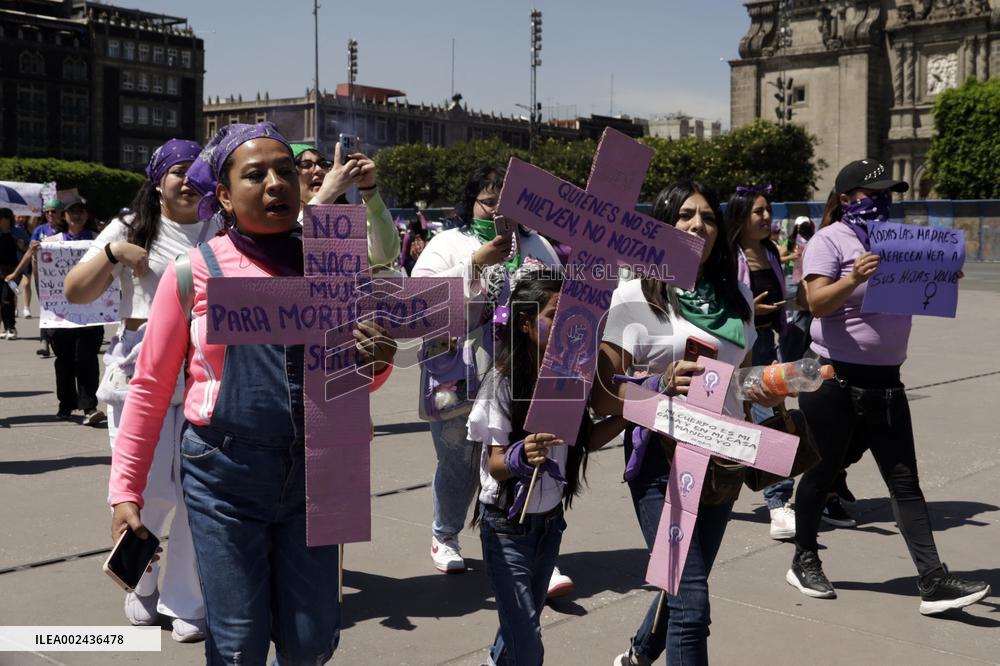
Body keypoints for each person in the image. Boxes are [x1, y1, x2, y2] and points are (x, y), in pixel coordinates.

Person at [108, 122, 397, 664]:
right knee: (238, 643)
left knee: (312, 640)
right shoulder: (192, 272)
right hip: (224, 478)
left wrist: (376, 361)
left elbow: (354, 378)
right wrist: (126, 490)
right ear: (223, 195)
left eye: (285, 171)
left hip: (317, 472)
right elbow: (148, 389)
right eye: (255, 174)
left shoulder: (334, 266)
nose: (276, 183)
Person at [787, 158, 990, 614]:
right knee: (821, 473)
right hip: (832, 378)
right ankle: (804, 558)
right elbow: (816, 303)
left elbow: (913, 294)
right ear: (845, 199)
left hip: (886, 381)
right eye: (873, 193)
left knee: (905, 481)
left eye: (888, 194)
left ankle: (932, 580)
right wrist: (853, 277)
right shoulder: (828, 240)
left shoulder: (900, 242)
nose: (883, 201)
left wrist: (939, 275)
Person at [592, 181, 782, 666]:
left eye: (709, 217)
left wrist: (770, 386)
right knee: (691, 605)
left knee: (681, 588)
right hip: (661, 458)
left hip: (723, 457)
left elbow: (741, 380)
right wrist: (659, 383)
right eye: (684, 215)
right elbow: (604, 394)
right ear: (662, 225)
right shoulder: (635, 296)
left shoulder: (738, 297)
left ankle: (638, 656)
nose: (698, 225)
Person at [64, 139, 210, 642]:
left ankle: (186, 598)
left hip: (202, 372)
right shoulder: (131, 225)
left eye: (197, 170)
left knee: (195, 491)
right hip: (139, 376)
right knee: (145, 491)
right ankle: (140, 583)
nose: (189, 180)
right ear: (157, 180)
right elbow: (75, 290)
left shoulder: (221, 226)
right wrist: (112, 252)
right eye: (178, 171)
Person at [411, 165, 561, 576]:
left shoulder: (537, 244)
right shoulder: (448, 242)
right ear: (472, 203)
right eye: (490, 201)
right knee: (459, 462)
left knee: (522, 455)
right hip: (460, 372)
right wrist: (477, 263)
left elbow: (558, 297)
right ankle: (445, 534)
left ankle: (529, 546)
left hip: (519, 373)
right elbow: (419, 301)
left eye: (509, 201)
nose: (499, 209)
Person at [471, 267, 626, 666]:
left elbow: (587, 440)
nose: (564, 326)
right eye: (553, 315)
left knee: (520, 623)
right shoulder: (501, 383)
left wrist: (634, 411)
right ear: (525, 323)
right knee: (528, 642)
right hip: (506, 526)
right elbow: (495, 464)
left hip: (550, 524)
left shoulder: (572, 378)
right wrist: (521, 455)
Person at [726, 186, 796, 539]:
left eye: (768, 209)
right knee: (748, 420)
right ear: (741, 217)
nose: (767, 217)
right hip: (736, 346)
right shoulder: (728, 256)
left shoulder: (770, 252)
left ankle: (777, 499)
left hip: (768, 344)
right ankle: (775, 500)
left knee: (770, 418)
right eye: (759, 211)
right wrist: (751, 309)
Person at [36, 195, 106, 424]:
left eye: (80, 211)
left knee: (87, 359)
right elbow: (41, 275)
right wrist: (36, 255)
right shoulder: (51, 242)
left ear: (86, 215)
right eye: (71, 211)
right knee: (64, 359)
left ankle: (89, 407)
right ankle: (65, 403)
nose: (76, 215)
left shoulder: (99, 241)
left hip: (91, 312)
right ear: (63, 216)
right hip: (60, 314)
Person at [290, 142, 400, 268]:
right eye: (306, 164)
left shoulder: (345, 221)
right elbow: (289, 248)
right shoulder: (279, 224)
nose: (319, 170)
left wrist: (369, 191)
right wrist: (326, 195)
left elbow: (385, 255)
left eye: (323, 164)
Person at [4, 199, 66, 355]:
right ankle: (44, 341)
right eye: (47, 211)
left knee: (64, 308)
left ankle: (62, 341)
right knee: (46, 307)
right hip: (44, 277)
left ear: (61, 213)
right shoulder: (40, 230)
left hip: (65, 277)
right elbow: (29, 252)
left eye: (54, 211)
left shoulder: (67, 230)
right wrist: (16, 273)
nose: (50, 214)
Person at [0, 208, 19, 339]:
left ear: (8, 219)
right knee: (1, 300)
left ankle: (11, 327)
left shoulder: (17, 232)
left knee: (7, 298)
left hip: (12, 272)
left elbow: (27, 249)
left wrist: (21, 246)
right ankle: (5, 327)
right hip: (0, 270)